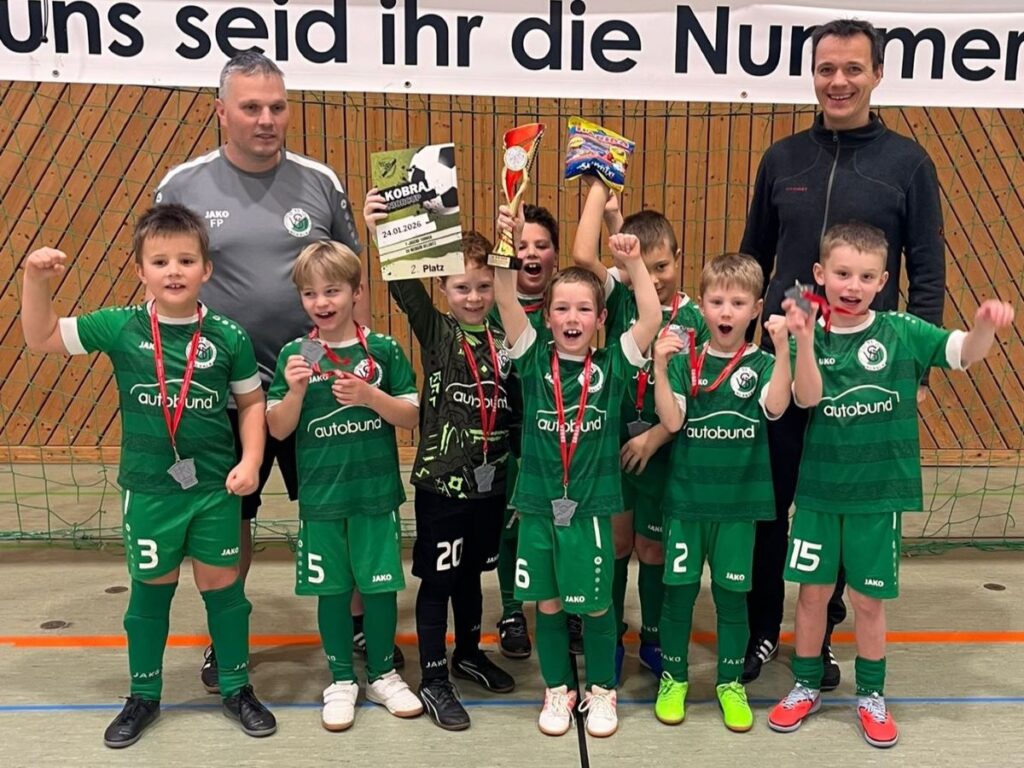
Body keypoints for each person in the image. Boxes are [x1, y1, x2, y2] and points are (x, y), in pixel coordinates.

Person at [152, 50, 390, 689]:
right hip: (221, 392)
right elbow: (162, 276)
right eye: (252, 107)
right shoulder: (183, 185)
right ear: (221, 112)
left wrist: (359, 360)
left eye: (277, 107)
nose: (266, 119)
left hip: (316, 386)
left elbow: (352, 277)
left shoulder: (320, 181)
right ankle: (226, 636)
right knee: (231, 520)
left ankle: (360, 625)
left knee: (340, 511)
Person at [739, 18, 946, 688]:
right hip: (784, 364)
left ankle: (822, 637)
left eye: (853, 68)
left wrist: (915, 371)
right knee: (770, 505)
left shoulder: (908, 164)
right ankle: (761, 631)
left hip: (861, 380)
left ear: (877, 74)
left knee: (840, 507)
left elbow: (927, 271)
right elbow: (752, 257)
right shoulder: (782, 159)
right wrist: (745, 347)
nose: (838, 81)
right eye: (827, 68)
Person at [20, 204, 276, 747]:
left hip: (214, 491)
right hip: (150, 491)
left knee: (224, 589)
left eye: (186, 260)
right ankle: (143, 695)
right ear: (140, 270)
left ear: (207, 268)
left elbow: (253, 404)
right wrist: (35, 280)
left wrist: (251, 461)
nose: (174, 271)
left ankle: (236, 688)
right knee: (150, 594)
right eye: (160, 261)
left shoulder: (229, 336)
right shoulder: (120, 326)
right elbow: (40, 337)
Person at [766, 221, 1014, 748]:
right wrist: (803, 340)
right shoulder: (812, 331)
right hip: (819, 493)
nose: (852, 285)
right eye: (842, 274)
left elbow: (964, 353)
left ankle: (871, 695)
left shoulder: (902, 330)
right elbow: (807, 398)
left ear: (883, 281)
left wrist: (983, 327)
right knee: (811, 596)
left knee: (868, 601)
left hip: (877, 498)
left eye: (865, 276)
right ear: (820, 274)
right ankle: (805, 685)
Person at [495, 205, 662, 738]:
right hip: (539, 504)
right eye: (562, 308)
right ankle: (558, 688)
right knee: (546, 604)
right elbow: (504, 297)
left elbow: (651, 319)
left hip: (589, 510)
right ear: (547, 317)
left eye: (584, 309)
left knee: (594, 606)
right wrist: (505, 244)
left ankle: (602, 690)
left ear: (600, 319)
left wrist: (633, 264)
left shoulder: (612, 366)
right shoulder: (531, 358)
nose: (572, 318)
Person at [365, 192, 518, 730]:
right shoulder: (437, 332)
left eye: (482, 286)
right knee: (439, 580)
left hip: (491, 486)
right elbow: (406, 291)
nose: (473, 297)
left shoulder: (507, 338)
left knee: (474, 576)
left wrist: (510, 232)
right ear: (444, 288)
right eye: (461, 287)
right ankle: (432, 677)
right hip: (442, 486)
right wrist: (384, 233)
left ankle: (468, 654)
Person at [265, 241, 422, 731]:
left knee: (380, 587)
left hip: (375, 495)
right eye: (310, 293)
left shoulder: (383, 349)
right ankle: (340, 680)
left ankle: (382, 674)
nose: (322, 302)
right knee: (331, 590)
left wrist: (370, 396)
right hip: (323, 498)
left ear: (356, 291)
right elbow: (278, 428)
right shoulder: (297, 354)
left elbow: (411, 415)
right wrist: (294, 391)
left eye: (332, 290)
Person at [650, 253, 802, 732]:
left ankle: (730, 683)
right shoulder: (684, 362)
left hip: (738, 507)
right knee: (678, 596)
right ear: (703, 306)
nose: (726, 312)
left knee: (733, 599)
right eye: (716, 301)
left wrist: (784, 351)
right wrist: (659, 367)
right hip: (687, 503)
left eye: (737, 303)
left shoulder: (761, 363)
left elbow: (776, 408)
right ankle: (674, 678)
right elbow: (672, 421)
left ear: (755, 309)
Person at [572, 176, 708, 680]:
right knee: (615, 544)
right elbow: (583, 254)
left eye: (662, 266)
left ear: (678, 257)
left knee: (653, 549)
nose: (654, 277)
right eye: (643, 268)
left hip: (663, 449)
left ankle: (652, 638)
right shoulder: (624, 297)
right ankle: (609, 636)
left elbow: (698, 394)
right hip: (612, 446)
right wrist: (598, 186)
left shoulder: (696, 318)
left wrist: (655, 436)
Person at [488, 203, 561, 660]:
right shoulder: (494, 306)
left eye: (542, 245)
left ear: (555, 255)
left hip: (561, 437)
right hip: (506, 433)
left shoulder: (569, 303)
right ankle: (513, 610)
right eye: (522, 245)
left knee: (562, 523)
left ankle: (570, 604)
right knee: (510, 526)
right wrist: (501, 240)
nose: (531, 253)